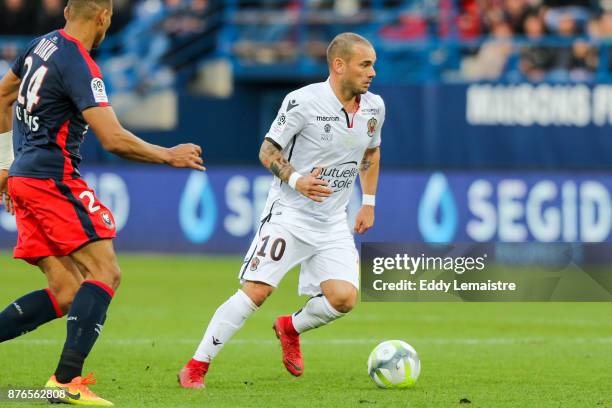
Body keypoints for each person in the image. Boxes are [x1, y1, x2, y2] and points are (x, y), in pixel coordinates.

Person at [0, 0, 204, 405]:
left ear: (65, 13)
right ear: (104, 17)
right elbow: (113, 139)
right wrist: (168, 155)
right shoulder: (80, 64)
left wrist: (8, 164)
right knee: (105, 272)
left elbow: (3, 95)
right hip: (51, 179)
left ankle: (63, 382)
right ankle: (65, 383)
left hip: (26, 177)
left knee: (65, 291)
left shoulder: (39, 45)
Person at [178, 32, 384, 389]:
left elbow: (371, 153)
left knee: (344, 298)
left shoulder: (374, 107)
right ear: (339, 65)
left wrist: (368, 203)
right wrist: (297, 180)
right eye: (365, 64)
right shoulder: (303, 101)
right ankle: (196, 366)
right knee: (257, 290)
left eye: (373, 65)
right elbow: (268, 151)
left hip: (332, 221)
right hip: (290, 214)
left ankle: (290, 327)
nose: (372, 73)